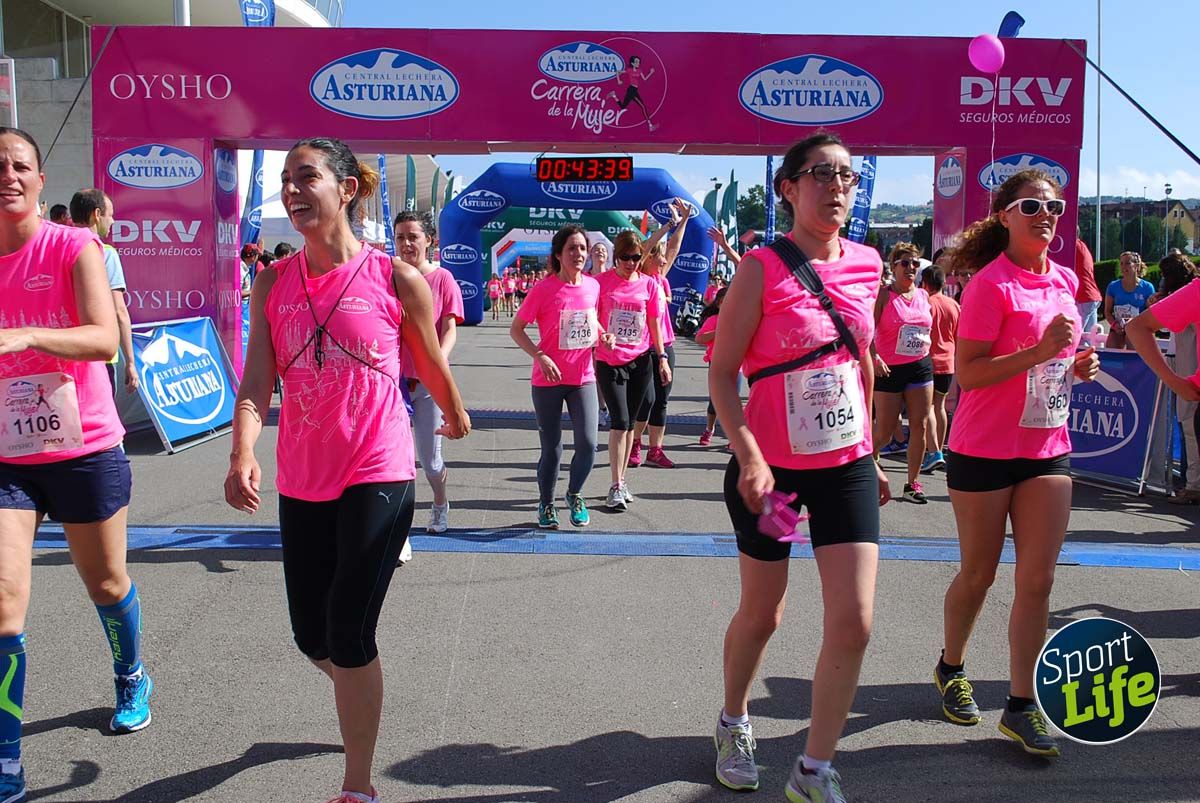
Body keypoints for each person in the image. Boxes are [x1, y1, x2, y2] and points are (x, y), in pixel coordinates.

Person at [224, 136, 469, 803]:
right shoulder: (272, 281)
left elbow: (430, 359)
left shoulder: (396, 277)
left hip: (378, 469)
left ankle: (357, 784)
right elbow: (255, 385)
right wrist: (242, 450)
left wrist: (452, 409)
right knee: (312, 633)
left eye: (306, 177)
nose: (292, 190)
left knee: (349, 627)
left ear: (347, 188)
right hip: (303, 476)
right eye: (285, 180)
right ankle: (358, 695)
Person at [710, 132, 889, 803]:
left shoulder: (869, 263)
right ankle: (734, 721)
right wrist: (749, 452)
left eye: (847, 175)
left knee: (856, 617)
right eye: (821, 174)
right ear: (788, 187)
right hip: (776, 478)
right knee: (766, 612)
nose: (837, 186)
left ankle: (813, 769)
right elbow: (724, 372)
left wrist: (869, 450)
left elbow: (860, 365)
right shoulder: (761, 268)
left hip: (844, 467)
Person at [0, 127, 154, 802]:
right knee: (4, 602)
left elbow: (101, 335)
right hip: (7, 455)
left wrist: (29, 334)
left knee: (106, 581)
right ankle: (6, 757)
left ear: (39, 180)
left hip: (83, 444)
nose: (7, 173)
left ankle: (130, 672)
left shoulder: (74, 245)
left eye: (19, 164)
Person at [934, 169, 1099, 758]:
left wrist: (1074, 366)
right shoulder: (989, 285)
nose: (1046, 214)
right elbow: (970, 374)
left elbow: (1057, 359)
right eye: (1032, 205)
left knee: (1039, 578)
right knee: (979, 574)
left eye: (1054, 206)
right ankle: (951, 665)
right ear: (1005, 214)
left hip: (1046, 448)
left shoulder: (1060, 280)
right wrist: (1039, 352)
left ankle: (1022, 705)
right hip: (983, 449)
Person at [510, 224, 611, 528]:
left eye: (583, 248)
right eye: (572, 248)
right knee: (552, 448)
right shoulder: (543, 289)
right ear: (558, 254)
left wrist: (604, 337)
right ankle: (546, 502)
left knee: (589, 444)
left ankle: (574, 493)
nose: (579, 254)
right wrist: (540, 356)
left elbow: (592, 324)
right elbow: (516, 330)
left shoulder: (593, 286)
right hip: (548, 381)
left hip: (584, 378)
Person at [395, 210, 464, 544]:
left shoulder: (442, 279)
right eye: (400, 238)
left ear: (429, 240)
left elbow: (449, 329)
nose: (407, 244)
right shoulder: (387, 275)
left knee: (430, 461)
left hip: (427, 384)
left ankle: (439, 500)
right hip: (392, 384)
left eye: (413, 237)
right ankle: (396, 526)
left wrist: (436, 362)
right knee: (395, 461)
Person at [595, 224, 672, 510]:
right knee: (619, 421)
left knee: (630, 425)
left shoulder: (650, 285)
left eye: (636, 257)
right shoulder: (600, 282)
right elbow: (589, 315)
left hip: (641, 360)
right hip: (610, 360)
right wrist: (603, 332)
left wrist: (662, 358)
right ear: (616, 256)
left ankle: (622, 479)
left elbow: (654, 324)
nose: (630, 263)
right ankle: (614, 484)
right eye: (625, 257)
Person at [1127, 254, 1200, 505]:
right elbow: (1139, 328)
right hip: (1190, 379)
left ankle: (1193, 483)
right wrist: (1174, 380)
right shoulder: (1192, 292)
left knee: (1188, 425)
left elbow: (1139, 327)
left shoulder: (1188, 293)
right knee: (1188, 425)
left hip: (1188, 375)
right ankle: (1192, 483)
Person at [871, 242, 934, 503]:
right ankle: (867, 461)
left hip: (920, 365)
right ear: (893, 266)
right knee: (885, 431)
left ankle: (912, 484)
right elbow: (866, 329)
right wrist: (874, 356)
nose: (911, 268)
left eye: (915, 264)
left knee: (918, 425)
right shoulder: (884, 296)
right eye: (905, 263)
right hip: (889, 368)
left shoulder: (923, 295)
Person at [631, 201, 692, 469]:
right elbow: (643, 249)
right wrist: (668, 224)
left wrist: (686, 219)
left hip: (666, 345)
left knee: (662, 400)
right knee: (646, 399)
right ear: (649, 259)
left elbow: (674, 248)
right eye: (660, 257)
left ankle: (655, 450)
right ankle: (635, 443)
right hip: (645, 346)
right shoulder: (640, 275)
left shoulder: (661, 278)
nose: (664, 260)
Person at [69, 188, 138, 395]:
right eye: (110, 215)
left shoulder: (56, 247)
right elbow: (120, 312)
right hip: (98, 357)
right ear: (97, 215)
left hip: (64, 354)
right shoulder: (105, 253)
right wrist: (131, 362)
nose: (114, 221)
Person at [921, 267, 959, 471]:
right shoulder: (953, 304)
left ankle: (933, 451)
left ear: (925, 283)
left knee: (928, 408)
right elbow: (959, 334)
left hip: (929, 360)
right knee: (940, 406)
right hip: (948, 361)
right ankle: (939, 449)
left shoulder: (926, 303)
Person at [695, 286, 727, 445]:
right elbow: (699, 339)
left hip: (738, 364)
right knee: (715, 399)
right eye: (724, 302)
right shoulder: (714, 320)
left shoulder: (742, 318)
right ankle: (709, 428)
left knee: (731, 398)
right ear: (718, 304)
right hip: (717, 363)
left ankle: (732, 437)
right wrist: (718, 331)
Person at [1103, 251, 1155, 349]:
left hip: (1138, 327)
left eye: (1127, 263)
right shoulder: (1113, 286)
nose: (1123, 267)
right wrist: (1115, 325)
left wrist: (1136, 325)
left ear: (1136, 265)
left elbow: (1151, 312)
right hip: (1118, 326)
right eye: (1121, 263)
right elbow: (1107, 311)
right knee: (1111, 347)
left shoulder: (1147, 287)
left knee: (1131, 340)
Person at [605, 55, 658, 132]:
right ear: (632, 63)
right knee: (643, 106)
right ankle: (650, 126)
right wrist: (618, 81)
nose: (638, 63)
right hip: (631, 90)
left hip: (634, 90)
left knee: (623, 106)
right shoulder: (629, 70)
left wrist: (651, 73)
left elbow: (645, 79)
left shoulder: (639, 70)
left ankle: (613, 95)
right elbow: (618, 72)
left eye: (639, 62)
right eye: (636, 62)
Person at [1072, 238, 1102, 333]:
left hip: (1082, 297)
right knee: (1092, 338)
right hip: (1091, 296)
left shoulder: (1072, 246)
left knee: (1075, 337)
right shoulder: (1082, 245)